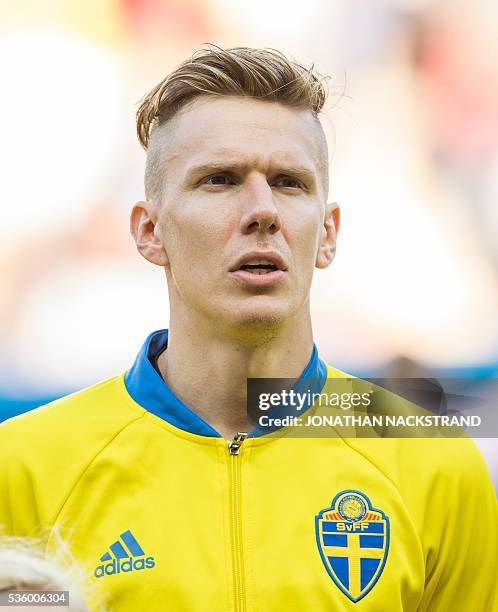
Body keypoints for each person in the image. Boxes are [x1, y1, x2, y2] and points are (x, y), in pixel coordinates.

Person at [0, 46, 496, 611]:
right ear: (148, 232)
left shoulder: (431, 462)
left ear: (328, 233)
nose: (263, 211)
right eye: (219, 180)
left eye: (288, 182)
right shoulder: (22, 470)